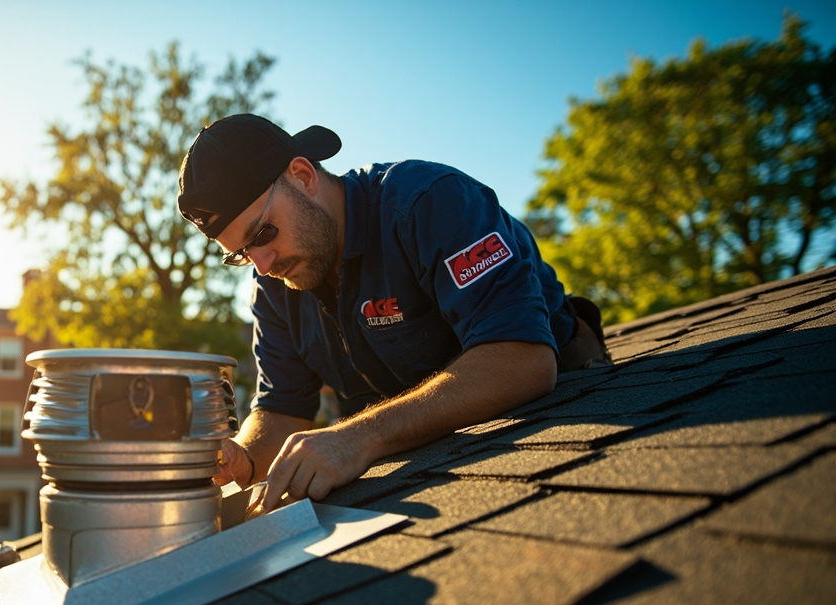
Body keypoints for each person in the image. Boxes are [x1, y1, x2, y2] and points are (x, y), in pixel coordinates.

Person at [176, 114, 609, 511]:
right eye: (242, 254)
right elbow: (283, 406)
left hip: (566, 426)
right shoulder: (274, 283)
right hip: (429, 462)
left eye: (263, 233)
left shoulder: (428, 202)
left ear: (303, 175)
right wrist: (245, 457)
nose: (263, 265)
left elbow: (523, 359)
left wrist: (361, 436)